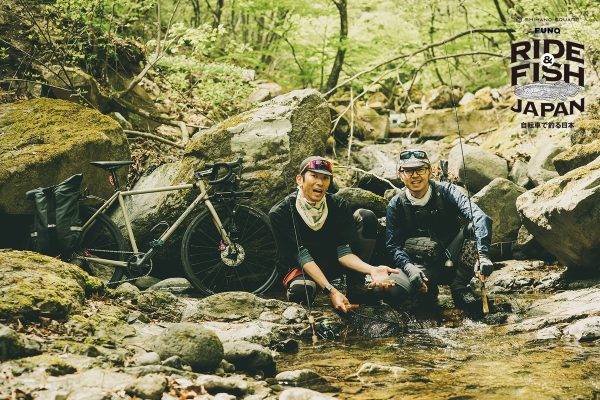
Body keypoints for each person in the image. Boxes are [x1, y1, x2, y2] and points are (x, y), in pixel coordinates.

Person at [269, 156, 405, 313]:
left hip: (331, 262)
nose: (320, 183)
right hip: (302, 267)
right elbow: (302, 256)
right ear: (300, 180)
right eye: (314, 176)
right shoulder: (281, 213)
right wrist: (331, 291)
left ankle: (356, 287)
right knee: (301, 293)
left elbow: (344, 253)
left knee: (366, 216)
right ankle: (315, 286)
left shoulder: (338, 205)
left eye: (325, 178)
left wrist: (372, 269)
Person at [385, 149, 494, 312]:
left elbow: (480, 217)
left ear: (429, 171)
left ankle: (460, 287)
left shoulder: (447, 191)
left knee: (473, 228)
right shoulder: (395, 205)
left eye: (420, 169)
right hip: (419, 267)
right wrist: (408, 267)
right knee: (394, 293)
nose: (415, 175)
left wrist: (483, 255)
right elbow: (393, 246)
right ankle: (426, 292)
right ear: (400, 175)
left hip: (453, 259)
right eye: (408, 171)